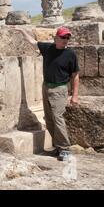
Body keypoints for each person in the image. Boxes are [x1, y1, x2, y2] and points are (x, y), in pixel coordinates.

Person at [15, 26, 80, 161]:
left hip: (60, 89)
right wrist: (22, 31)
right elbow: (33, 42)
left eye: (68, 38)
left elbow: (75, 75)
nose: (65, 40)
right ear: (56, 38)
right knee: (49, 119)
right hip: (46, 87)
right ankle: (57, 146)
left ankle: (65, 148)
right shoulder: (48, 48)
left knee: (58, 118)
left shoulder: (70, 54)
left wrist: (74, 95)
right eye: (63, 37)